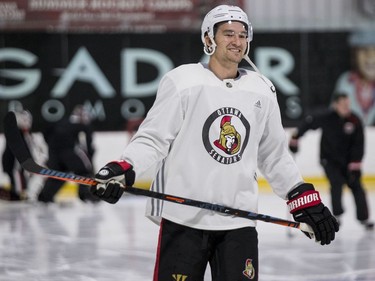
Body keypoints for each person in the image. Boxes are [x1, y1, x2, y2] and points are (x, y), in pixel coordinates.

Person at [90, 5, 339, 281]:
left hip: (239, 221)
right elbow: (153, 138)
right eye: (228, 34)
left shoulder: (262, 89)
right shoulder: (182, 81)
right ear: (209, 39)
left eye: (243, 35)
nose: (237, 41)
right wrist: (124, 167)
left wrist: (300, 197)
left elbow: (273, 155)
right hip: (183, 220)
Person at [289, 93, 374, 230]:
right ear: (335, 105)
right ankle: (338, 215)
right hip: (329, 161)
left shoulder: (355, 120)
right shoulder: (327, 118)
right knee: (336, 184)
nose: (346, 107)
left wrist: (356, 162)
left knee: (357, 186)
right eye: (343, 104)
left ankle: (364, 218)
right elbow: (309, 123)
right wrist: (295, 137)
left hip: (350, 163)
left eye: (348, 104)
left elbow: (359, 143)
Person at [38, 105, 99, 203]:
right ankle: (86, 195)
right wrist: (90, 160)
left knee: (58, 175)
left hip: (53, 153)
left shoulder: (61, 122)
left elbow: (46, 134)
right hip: (70, 152)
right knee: (84, 172)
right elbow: (87, 146)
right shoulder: (83, 126)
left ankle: (44, 197)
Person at [334, 29, 375, 126]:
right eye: (364, 50)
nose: (370, 56)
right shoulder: (346, 81)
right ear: (355, 54)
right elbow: (335, 118)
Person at [1, 110, 33, 201]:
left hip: (14, 165)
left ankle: (16, 194)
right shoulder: (17, 134)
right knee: (17, 177)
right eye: (25, 120)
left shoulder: (21, 134)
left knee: (17, 178)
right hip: (14, 165)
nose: (27, 123)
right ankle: (17, 194)